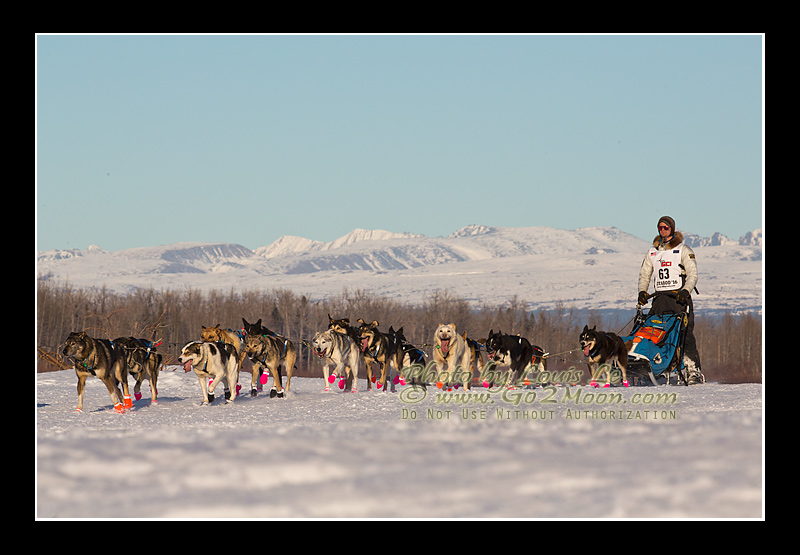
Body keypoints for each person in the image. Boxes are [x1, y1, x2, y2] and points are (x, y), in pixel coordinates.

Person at [637, 216, 704, 384]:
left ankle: (693, 370)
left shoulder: (683, 250)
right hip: (660, 300)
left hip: (679, 299)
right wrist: (642, 292)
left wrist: (686, 290)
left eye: (666, 227)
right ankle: (656, 369)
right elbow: (645, 274)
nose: (662, 230)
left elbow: (693, 274)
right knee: (654, 333)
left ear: (672, 229)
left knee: (684, 334)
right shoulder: (653, 251)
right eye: (660, 227)